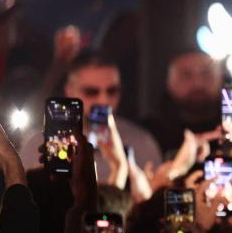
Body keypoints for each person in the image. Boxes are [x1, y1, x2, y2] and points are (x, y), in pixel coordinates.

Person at [18, 53, 162, 182]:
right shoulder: (38, 144)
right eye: (91, 92)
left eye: (112, 91)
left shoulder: (142, 143)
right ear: (69, 90)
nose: (103, 101)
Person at [141, 51, 223, 156]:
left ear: (220, 77)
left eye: (206, 74)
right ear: (169, 80)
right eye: (186, 75)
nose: (198, 83)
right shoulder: (146, 136)